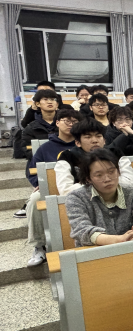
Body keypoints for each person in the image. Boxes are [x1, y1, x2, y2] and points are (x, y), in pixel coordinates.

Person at [24, 109, 83, 266]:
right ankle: (39, 245)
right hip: (51, 188)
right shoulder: (45, 148)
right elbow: (32, 171)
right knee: (35, 199)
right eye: (67, 121)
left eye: (75, 122)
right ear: (57, 123)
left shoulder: (83, 144)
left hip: (77, 187)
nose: (71, 125)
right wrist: (39, 184)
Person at [66, 149, 133, 247]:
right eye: (99, 175)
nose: (107, 179)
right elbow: (82, 230)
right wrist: (119, 239)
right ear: (88, 178)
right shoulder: (76, 198)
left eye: (111, 172)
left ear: (118, 171)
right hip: (94, 252)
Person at [55, 118, 133, 197]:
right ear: (78, 143)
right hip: (84, 200)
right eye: (88, 137)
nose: (95, 141)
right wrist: (100, 185)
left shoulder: (115, 153)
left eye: (98, 136)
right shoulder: (67, 157)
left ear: (104, 141)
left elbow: (129, 181)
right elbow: (65, 190)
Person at [20, 89, 59, 163]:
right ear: (37, 104)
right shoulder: (31, 128)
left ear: (57, 104)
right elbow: (27, 149)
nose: (49, 102)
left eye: (52, 99)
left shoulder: (66, 124)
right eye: (45, 99)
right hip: (40, 162)